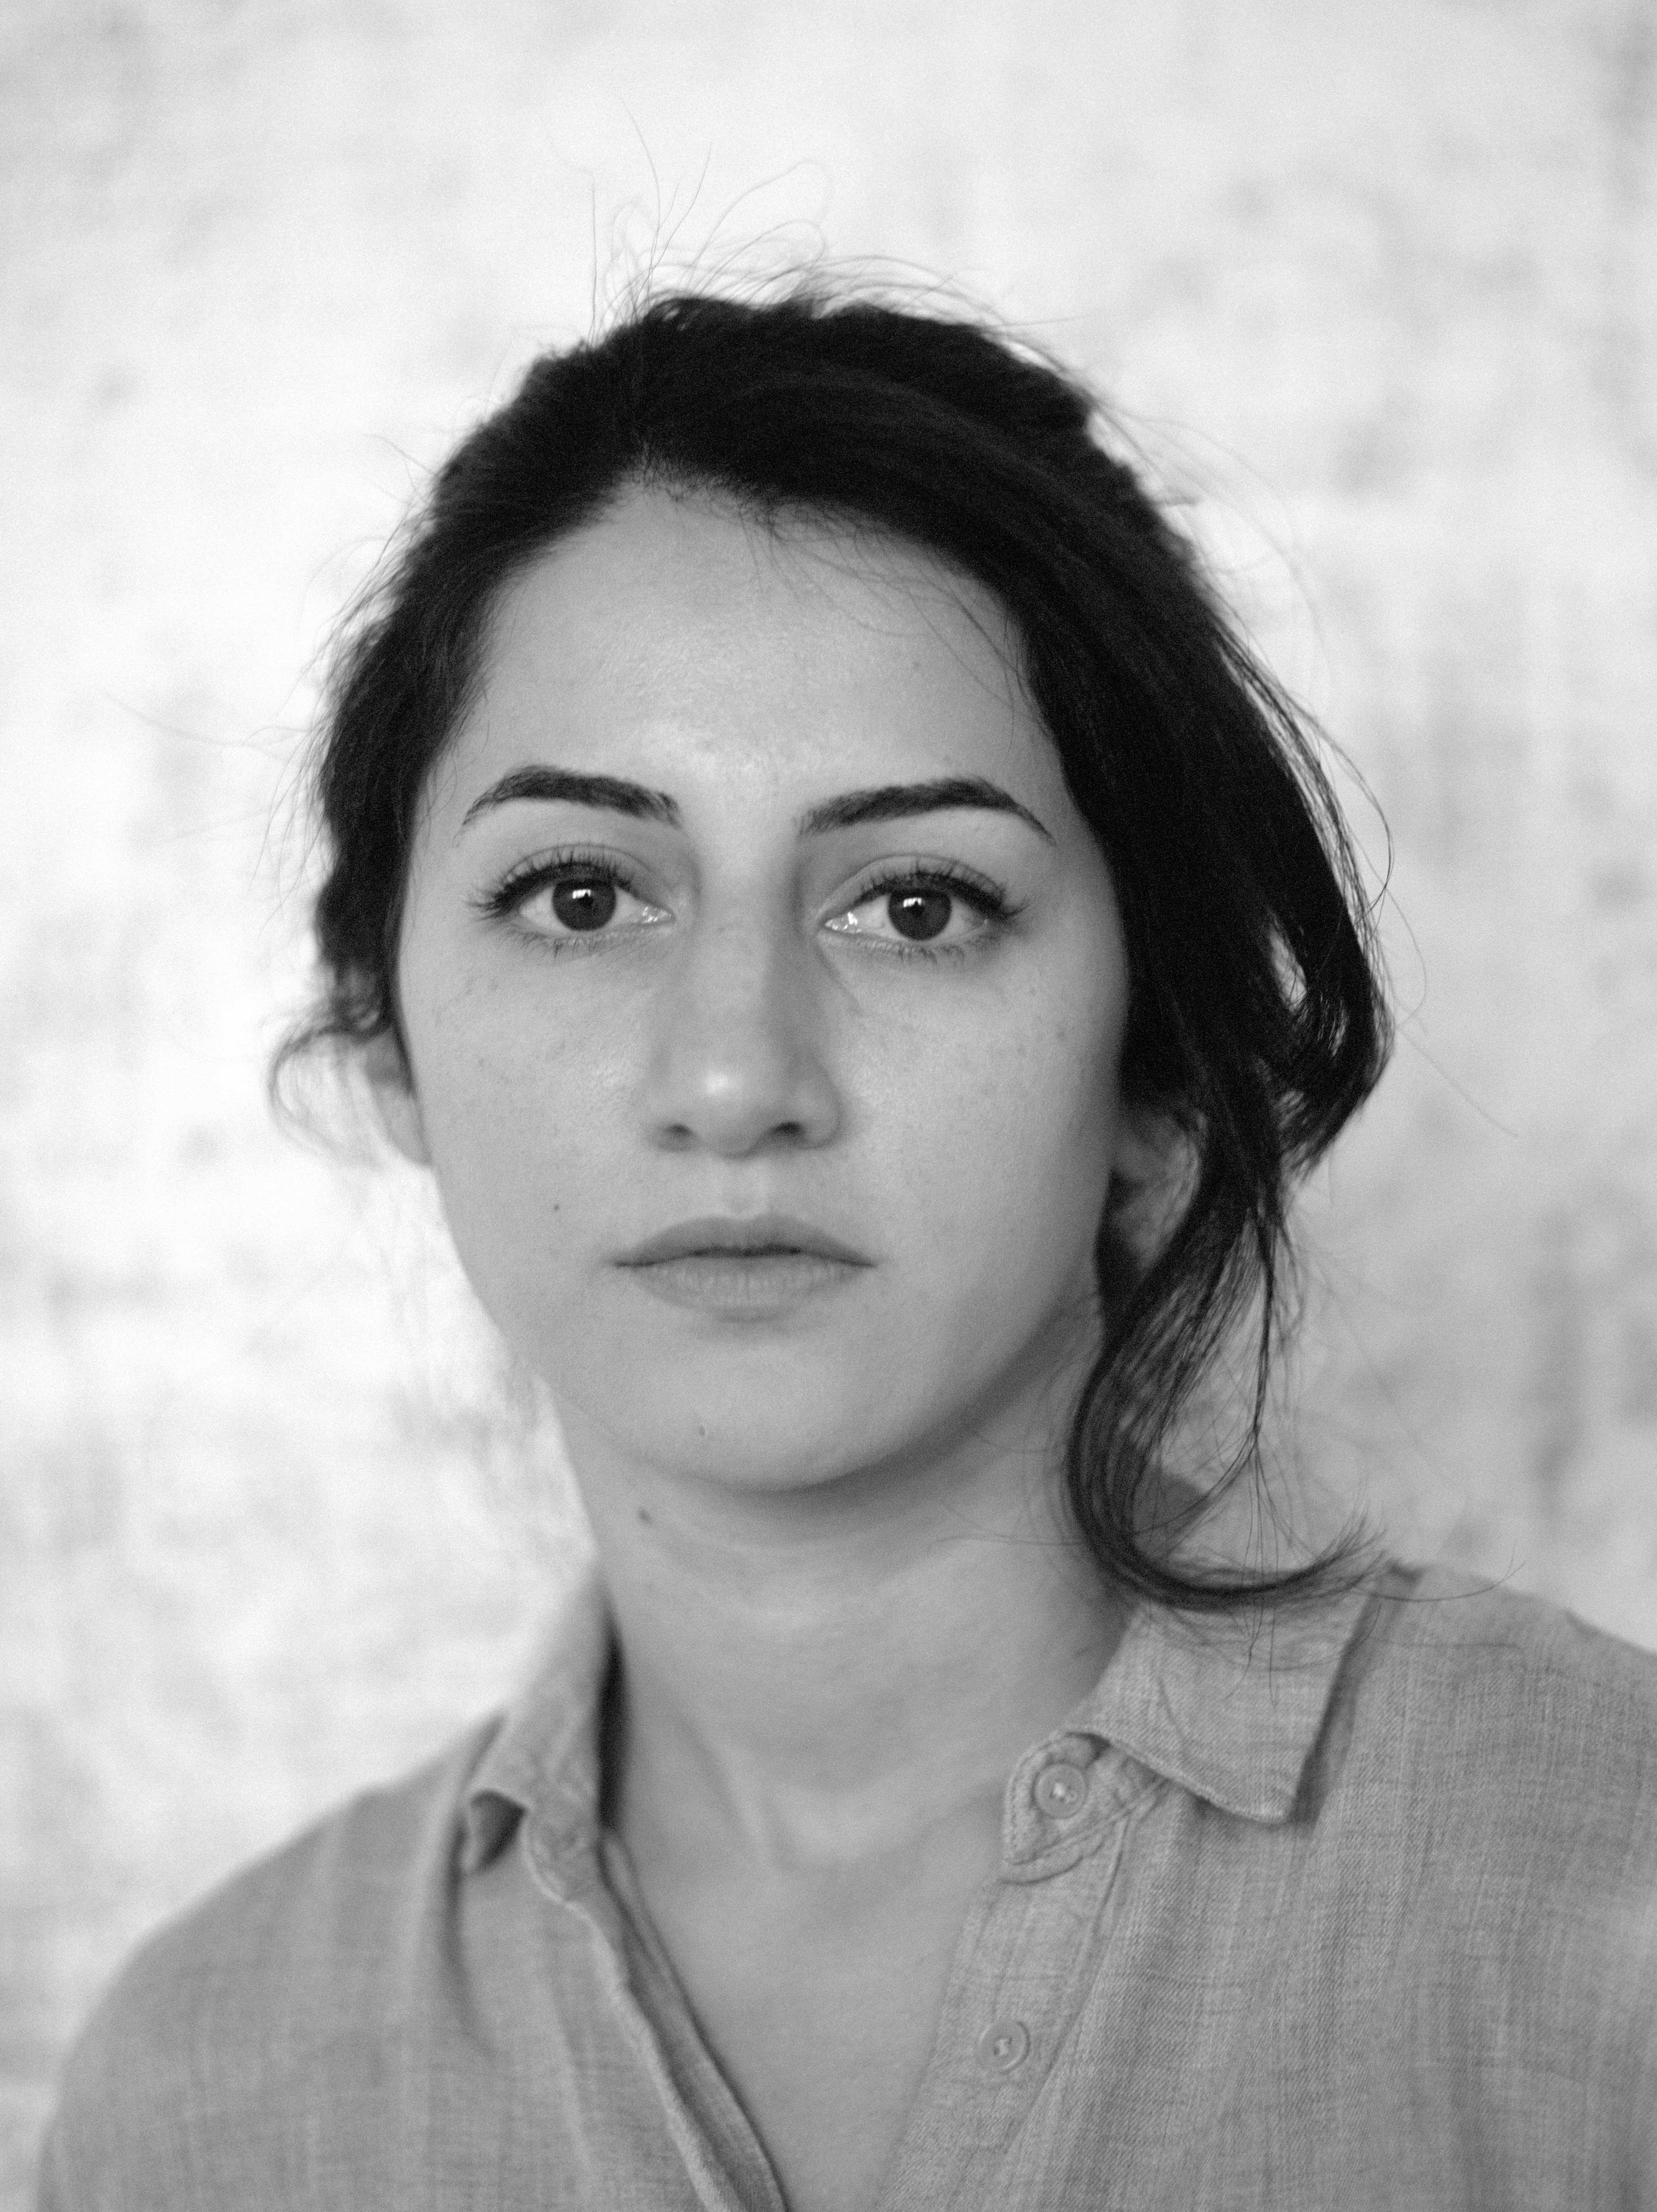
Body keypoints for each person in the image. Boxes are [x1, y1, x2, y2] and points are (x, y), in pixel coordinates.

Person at [39, 284, 1657, 2212]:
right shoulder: (205, 2092)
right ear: (385, 1035)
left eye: (914, 902)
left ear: (1159, 1070)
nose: (734, 1076)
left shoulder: (1605, 1898)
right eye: (578, 892)